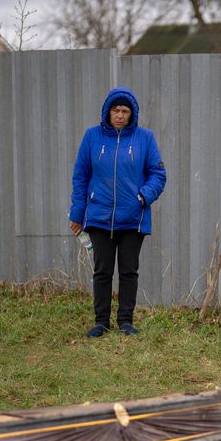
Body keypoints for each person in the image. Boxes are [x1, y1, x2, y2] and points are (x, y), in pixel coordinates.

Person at [69, 87, 167, 337]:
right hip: (99, 217)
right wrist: (77, 213)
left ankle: (125, 321)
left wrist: (143, 196)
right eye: (116, 110)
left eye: (125, 111)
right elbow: (81, 176)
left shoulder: (145, 138)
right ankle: (101, 322)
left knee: (128, 271)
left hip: (133, 219)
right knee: (102, 271)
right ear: (108, 111)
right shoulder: (92, 137)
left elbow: (158, 174)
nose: (120, 115)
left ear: (132, 114)